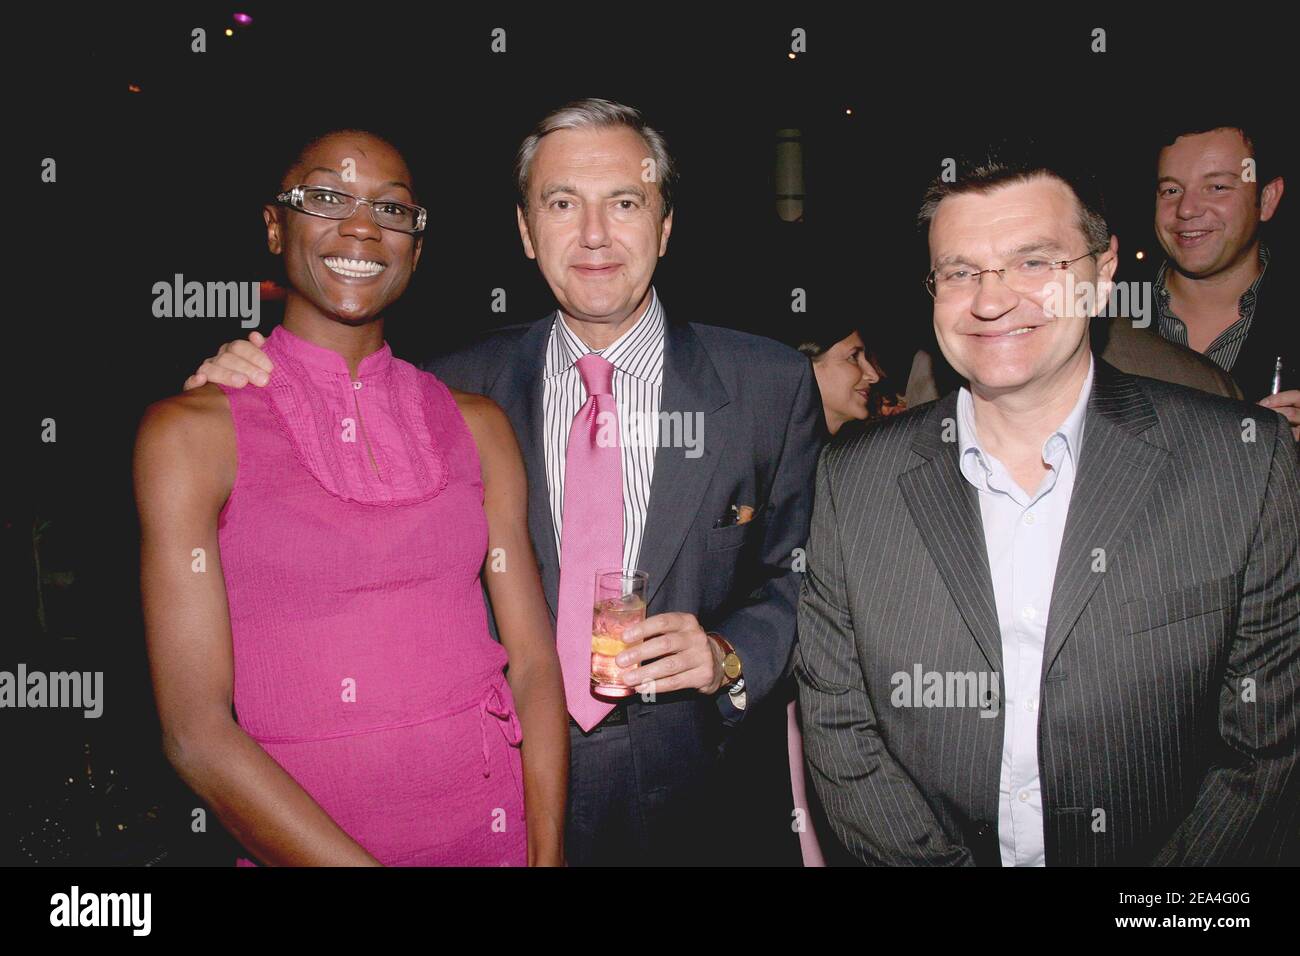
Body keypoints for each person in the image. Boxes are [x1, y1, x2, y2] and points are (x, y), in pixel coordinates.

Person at [182, 99, 823, 865]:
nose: (593, 235)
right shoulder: (451, 393)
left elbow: (809, 576)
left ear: (665, 225)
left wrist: (727, 653)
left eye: (624, 202)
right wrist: (244, 380)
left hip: (708, 792)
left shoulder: (768, 383)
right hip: (511, 791)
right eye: (561, 204)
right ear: (526, 231)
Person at [796, 141, 1299, 865]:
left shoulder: (1240, 462)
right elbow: (841, 726)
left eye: (1035, 262)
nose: (993, 298)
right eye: (960, 271)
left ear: (1099, 277)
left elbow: (1267, 749)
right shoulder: (854, 479)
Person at [136, 129, 568, 866]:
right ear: (276, 225)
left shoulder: (479, 425)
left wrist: (548, 855)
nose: (363, 226)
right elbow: (195, 732)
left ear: (417, 245)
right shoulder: (189, 434)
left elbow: (532, 665)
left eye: (392, 211)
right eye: (327, 198)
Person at [1150, 120, 1298, 441]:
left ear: (1268, 198)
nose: (1186, 209)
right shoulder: (1102, 313)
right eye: (1171, 190)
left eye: (1217, 187)